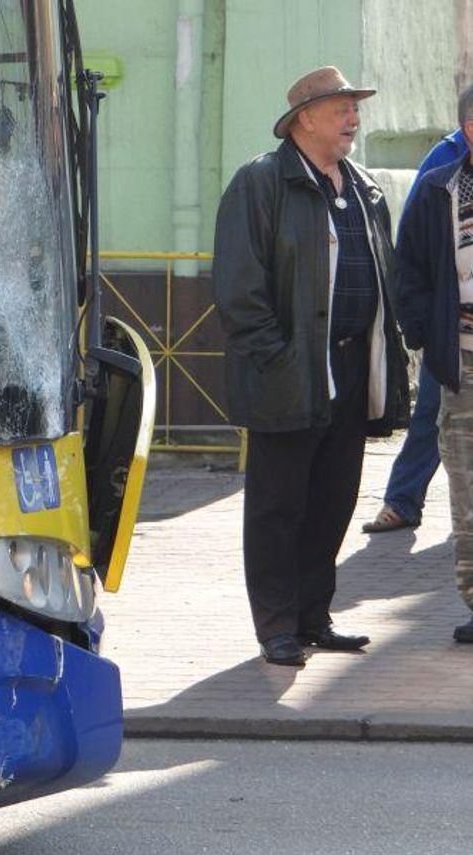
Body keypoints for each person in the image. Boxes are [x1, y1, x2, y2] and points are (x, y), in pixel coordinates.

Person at [213, 66, 409, 667]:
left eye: (354, 108)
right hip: (288, 371)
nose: (353, 118)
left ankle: (312, 616)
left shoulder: (365, 188)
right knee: (278, 507)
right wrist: (275, 357)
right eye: (341, 108)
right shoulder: (261, 182)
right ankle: (276, 625)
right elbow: (240, 289)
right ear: (304, 119)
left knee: (333, 499)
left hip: (350, 371)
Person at [394, 85, 473, 645]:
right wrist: (432, 340)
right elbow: (410, 273)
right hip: (464, 372)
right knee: (468, 495)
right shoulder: (437, 190)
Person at [363, 127, 469, 534]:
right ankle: (403, 501)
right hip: (452, 323)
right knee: (431, 412)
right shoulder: (447, 156)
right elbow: (412, 245)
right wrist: (420, 325)